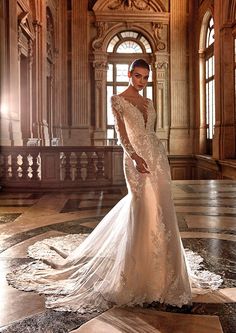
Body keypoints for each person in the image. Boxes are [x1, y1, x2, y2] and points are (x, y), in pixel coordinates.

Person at [7, 59, 222, 313]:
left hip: (157, 156)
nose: (142, 81)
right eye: (138, 76)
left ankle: (166, 272)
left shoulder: (149, 102)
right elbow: (121, 134)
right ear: (130, 74)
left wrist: (153, 155)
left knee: (163, 210)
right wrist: (134, 156)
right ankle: (137, 275)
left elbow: (150, 132)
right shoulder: (117, 100)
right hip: (134, 158)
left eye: (146, 77)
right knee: (141, 207)